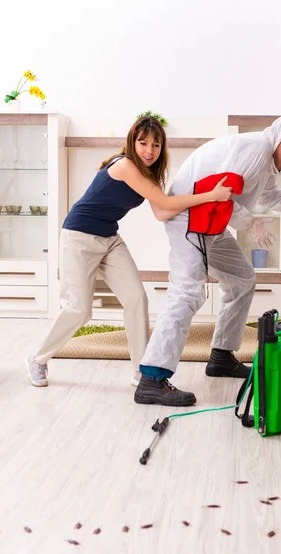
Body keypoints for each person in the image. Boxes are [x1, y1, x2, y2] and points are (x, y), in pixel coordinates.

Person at [134, 113, 281, 407]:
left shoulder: (266, 160)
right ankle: (151, 378)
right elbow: (221, 193)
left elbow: (269, 194)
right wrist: (251, 224)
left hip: (211, 220)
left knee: (242, 278)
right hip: (190, 217)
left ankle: (221, 357)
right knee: (188, 291)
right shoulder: (254, 149)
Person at [25, 116, 233, 388]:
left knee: (136, 299)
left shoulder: (148, 174)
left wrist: (203, 197)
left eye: (156, 145)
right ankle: (37, 358)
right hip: (79, 237)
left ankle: (140, 371)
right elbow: (165, 202)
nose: (149, 150)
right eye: (143, 143)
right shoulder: (124, 165)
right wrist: (210, 196)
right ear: (132, 142)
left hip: (109, 238)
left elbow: (161, 212)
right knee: (79, 310)